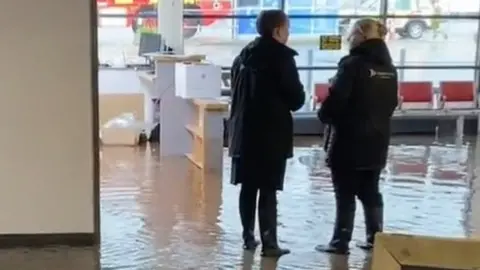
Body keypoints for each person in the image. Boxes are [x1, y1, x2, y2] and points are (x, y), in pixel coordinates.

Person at [315, 18, 398, 255]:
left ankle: (340, 241)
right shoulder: (389, 69)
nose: (348, 37)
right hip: (378, 139)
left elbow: (337, 101)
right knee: (371, 190)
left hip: (349, 140)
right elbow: (391, 103)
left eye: (350, 32)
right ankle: (376, 237)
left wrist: (325, 114)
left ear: (360, 35)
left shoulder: (352, 65)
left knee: (345, 191)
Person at [228, 9, 305, 257]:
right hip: (270, 134)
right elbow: (296, 99)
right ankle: (270, 244)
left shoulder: (243, 56)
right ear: (277, 31)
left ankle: (248, 238)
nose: (289, 33)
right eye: (287, 28)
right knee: (268, 189)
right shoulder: (281, 58)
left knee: (248, 187)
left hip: (243, 132)